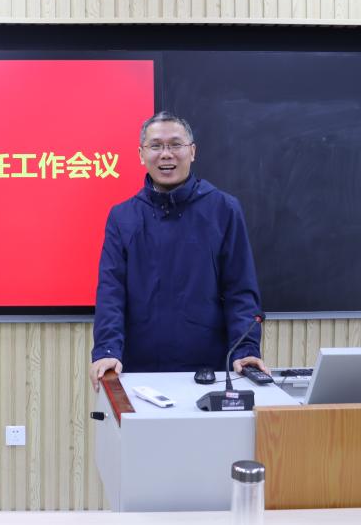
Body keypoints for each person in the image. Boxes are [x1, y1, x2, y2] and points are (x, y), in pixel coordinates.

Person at [89, 112, 270, 391]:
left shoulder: (223, 210)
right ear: (141, 154)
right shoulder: (122, 217)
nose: (166, 154)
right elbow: (111, 292)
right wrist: (107, 350)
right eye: (156, 146)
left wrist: (246, 349)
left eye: (175, 145)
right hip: (139, 372)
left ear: (192, 151)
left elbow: (240, 289)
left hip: (209, 370)